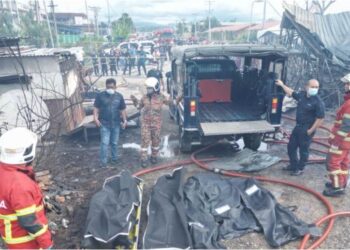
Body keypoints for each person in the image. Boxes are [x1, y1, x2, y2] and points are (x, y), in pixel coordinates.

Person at [0, 127, 53, 249]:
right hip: (26, 243)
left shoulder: (3, 172)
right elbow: (29, 221)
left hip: (12, 238)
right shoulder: (19, 184)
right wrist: (47, 244)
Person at [275, 79, 325, 176]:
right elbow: (291, 92)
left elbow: (320, 118)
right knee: (291, 147)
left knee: (303, 150)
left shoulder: (318, 102)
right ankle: (293, 165)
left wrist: (310, 131)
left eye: (316, 87)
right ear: (306, 87)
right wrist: (282, 85)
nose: (314, 89)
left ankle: (300, 168)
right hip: (298, 127)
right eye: (312, 87)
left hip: (307, 128)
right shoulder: (302, 96)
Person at [130, 77, 182, 168]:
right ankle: (144, 159)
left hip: (156, 124)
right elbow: (139, 106)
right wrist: (134, 100)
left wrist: (179, 98)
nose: (148, 90)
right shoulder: (144, 98)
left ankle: (154, 156)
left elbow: (172, 103)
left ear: (155, 88)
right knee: (145, 141)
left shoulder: (161, 97)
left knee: (155, 141)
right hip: (145, 123)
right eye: (147, 88)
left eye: (150, 88)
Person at [323, 73, 350, 197]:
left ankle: (337, 187)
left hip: (342, 141)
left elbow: (345, 126)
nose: (345, 86)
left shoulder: (349, 104)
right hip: (346, 143)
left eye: (347, 84)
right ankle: (341, 183)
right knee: (343, 163)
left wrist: (336, 142)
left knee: (333, 163)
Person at [93, 78, 127, 168]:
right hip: (104, 123)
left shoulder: (119, 96)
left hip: (116, 123)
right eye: (108, 87)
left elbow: (122, 109)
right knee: (104, 143)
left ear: (115, 87)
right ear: (106, 86)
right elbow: (96, 108)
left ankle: (114, 159)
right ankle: (103, 162)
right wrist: (95, 118)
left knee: (114, 143)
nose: (109, 89)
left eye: (111, 87)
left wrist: (125, 120)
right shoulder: (100, 96)